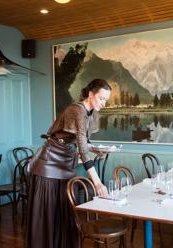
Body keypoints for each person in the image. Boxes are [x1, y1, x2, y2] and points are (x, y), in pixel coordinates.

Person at [26, 79, 111, 248]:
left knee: (64, 211)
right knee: (49, 214)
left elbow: (81, 142)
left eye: (106, 100)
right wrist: (97, 182)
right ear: (91, 94)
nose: (103, 103)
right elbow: (80, 144)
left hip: (66, 164)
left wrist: (95, 149)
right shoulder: (76, 110)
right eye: (101, 98)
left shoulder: (92, 113)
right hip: (49, 165)